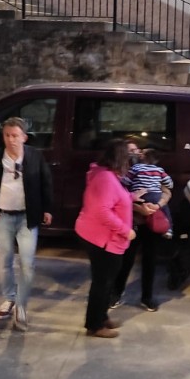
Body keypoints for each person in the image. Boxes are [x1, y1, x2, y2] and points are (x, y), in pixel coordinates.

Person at [0, 117, 54, 330]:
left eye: (15, 136)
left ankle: (21, 306)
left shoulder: (34, 156)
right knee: (5, 260)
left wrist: (47, 209)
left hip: (26, 217)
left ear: (24, 137)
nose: (11, 140)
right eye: (7, 135)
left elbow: (46, 182)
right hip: (2, 216)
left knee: (27, 262)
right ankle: (9, 297)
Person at [75, 139, 136, 338]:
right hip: (102, 240)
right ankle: (94, 325)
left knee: (107, 281)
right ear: (119, 158)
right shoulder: (105, 179)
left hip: (104, 238)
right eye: (128, 157)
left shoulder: (105, 175)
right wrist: (125, 231)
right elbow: (101, 210)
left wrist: (130, 198)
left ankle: (101, 317)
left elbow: (112, 200)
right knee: (102, 282)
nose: (130, 161)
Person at [113, 144, 171, 312]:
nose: (135, 153)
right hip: (131, 222)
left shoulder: (154, 170)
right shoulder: (122, 171)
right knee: (126, 260)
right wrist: (139, 208)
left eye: (137, 150)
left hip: (152, 222)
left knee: (150, 260)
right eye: (131, 150)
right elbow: (118, 196)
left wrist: (157, 205)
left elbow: (167, 190)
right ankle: (116, 292)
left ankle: (147, 297)